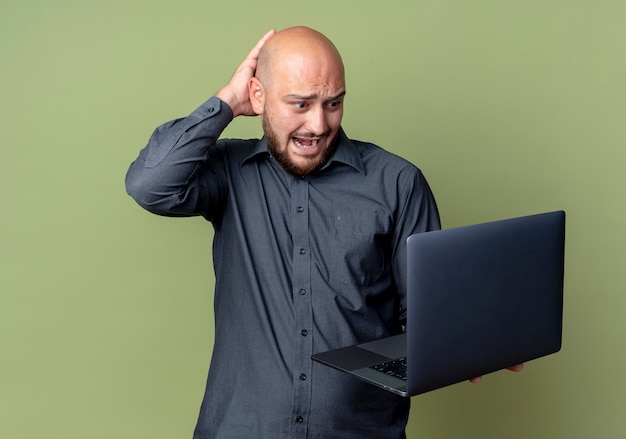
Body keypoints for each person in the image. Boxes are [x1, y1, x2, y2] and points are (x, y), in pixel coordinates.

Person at [126, 26, 520, 439]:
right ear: (259, 96)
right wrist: (227, 101)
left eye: (333, 103)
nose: (318, 124)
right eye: (300, 104)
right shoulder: (229, 172)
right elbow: (149, 185)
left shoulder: (397, 183)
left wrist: (473, 344)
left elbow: (427, 318)